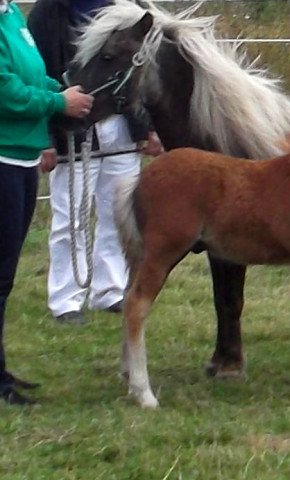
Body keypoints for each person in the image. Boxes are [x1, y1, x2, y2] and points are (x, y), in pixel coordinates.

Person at [28, 0, 162, 325]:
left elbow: (142, 71)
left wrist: (147, 128)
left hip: (122, 123)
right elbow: (38, 71)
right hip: (72, 122)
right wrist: (45, 137)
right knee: (70, 214)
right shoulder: (49, 11)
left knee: (117, 211)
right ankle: (66, 299)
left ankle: (110, 290)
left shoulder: (130, 7)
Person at [0, 0, 94, 404]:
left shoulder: (11, 15)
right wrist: (59, 104)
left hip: (20, 155)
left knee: (4, 276)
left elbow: (31, 76)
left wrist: (59, 89)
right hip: (2, 156)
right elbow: (5, 89)